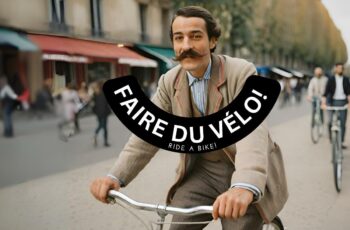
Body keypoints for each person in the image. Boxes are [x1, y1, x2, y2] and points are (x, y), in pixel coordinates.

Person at [90, 6, 288, 229]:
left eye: (196, 36)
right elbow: (147, 133)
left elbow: (251, 131)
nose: (186, 46)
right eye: (178, 38)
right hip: (202, 171)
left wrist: (244, 185)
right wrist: (115, 177)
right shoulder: (169, 81)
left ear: (213, 41)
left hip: (240, 165)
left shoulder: (241, 72)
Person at [322, 63, 350, 149]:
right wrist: (323, 103)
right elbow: (325, 93)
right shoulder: (331, 79)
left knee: (342, 123)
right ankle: (332, 138)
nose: (340, 69)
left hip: (343, 102)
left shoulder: (346, 79)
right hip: (333, 102)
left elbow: (349, 93)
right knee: (330, 121)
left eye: (341, 68)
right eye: (338, 68)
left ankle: (341, 142)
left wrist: (349, 103)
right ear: (336, 69)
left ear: (343, 69)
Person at [91, 80, 111, 147]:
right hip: (104, 112)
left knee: (101, 125)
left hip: (98, 113)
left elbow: (93, 104)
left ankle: (96, 136)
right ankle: (105, 141)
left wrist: (95, 112)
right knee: (104, 127)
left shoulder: (95, 94)